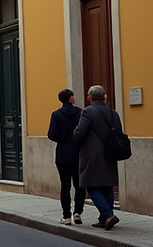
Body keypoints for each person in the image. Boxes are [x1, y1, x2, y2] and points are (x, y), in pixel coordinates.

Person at [73, 85, 122, 230]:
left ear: (91, 97)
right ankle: (104, 218)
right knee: (107, 184)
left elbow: (79, 132)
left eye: (88, 95)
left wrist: (75, 135)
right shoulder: (113, 113)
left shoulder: (88, 111)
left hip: (92, 153)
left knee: (91, 185)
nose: (87, 97)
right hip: (110, 153)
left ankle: (107, 215)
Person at [47, 89, 84, 225]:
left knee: (65, 186)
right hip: (77, 154)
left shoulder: (56, 114)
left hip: (62, 154)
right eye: (73, 95)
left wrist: (61, 139)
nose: (74, 97)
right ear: (70, 98)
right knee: (79, 185)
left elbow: (51, 134)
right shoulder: (80, 112)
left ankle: (66, 216)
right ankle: (78, 212)